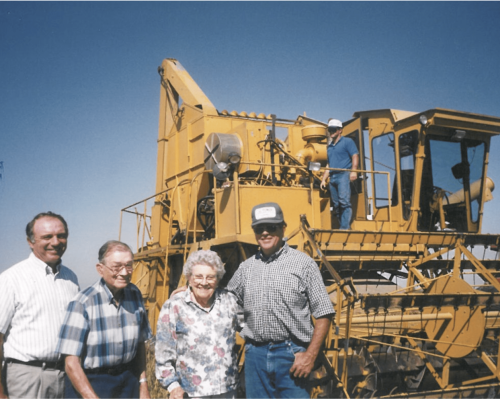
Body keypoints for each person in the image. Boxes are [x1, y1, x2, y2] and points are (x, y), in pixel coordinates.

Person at [227, 202, 335, 399]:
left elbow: (324, 312)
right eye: (260, 228)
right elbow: (228, 302)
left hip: (293, 356)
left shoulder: (303, 264)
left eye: (272, 227)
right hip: (255, 357)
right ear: (254, 231)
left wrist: (310, 356)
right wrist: (245, 328)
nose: (265, 233)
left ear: (283, 228)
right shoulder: (246, 268)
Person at [56, 240, 152, 399]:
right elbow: (71, 364)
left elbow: (140, 345)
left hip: (128, 382)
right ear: (100, 269)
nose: (124, 272)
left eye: (129, 265)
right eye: (117, 266)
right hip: (92, 382)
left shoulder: (135, 295)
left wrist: (143, 384)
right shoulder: (82, 303)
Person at [0, 211, 80, 399]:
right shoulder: (11, 279)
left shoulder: (71, 278)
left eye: (61, 236)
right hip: (28, 377)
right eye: (47, 237)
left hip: (66, 375)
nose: (55, 242)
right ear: (30, 241)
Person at [156, 250, 241, 399]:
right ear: (189, 278)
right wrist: (173, 387)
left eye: (210, 277)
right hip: (190, 393)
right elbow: (163, 352)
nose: (204, 282)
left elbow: (253, 328)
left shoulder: (230, 302)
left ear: (218, 279)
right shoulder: (174, 306)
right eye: (198, 276)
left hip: (227, 392)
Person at [320, 118, 359, 230]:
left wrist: (354, 171)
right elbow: (329, 164)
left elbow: (355, 156)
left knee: (344, 202)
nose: (331, 132)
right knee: (336, 205)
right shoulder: (329, 147)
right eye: (329, 130)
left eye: (333, 129)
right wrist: (323, 179)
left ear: (340, 130)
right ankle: (343, 225)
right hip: (333, 177)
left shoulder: (348, 142)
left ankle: (344, 228)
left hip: (343, 175)